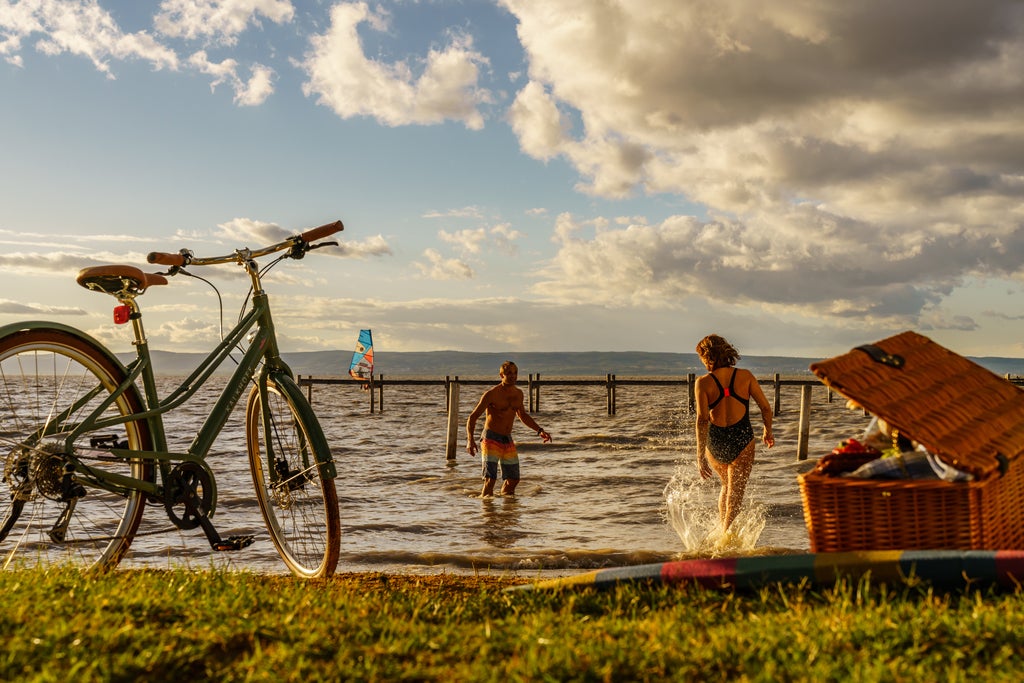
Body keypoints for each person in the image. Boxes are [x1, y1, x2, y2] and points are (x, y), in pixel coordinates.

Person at [694, 334, 775, 532]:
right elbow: (765, 408)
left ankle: (722, 531)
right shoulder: (745, 376)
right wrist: (768, 431)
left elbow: (702, 420)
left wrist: (700, 455)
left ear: (708, 357)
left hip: (715, 441)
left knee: (725, 486)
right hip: (742, 437)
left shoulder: (702, 382)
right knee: (736, 492)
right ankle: (726, 536)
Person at [466, 361, 552, 497]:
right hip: (490, 438)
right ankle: (487, 508)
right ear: (501, 375)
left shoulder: (518, 394)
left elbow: (522, 415)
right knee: (490, 479)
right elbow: (472, 417)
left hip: (507, 439)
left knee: (513, 479)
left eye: (515, 373)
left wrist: (539, 430)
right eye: (509, 373)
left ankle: (507, 508)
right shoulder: (491, 394)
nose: (513, 376)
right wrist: (470, 440)